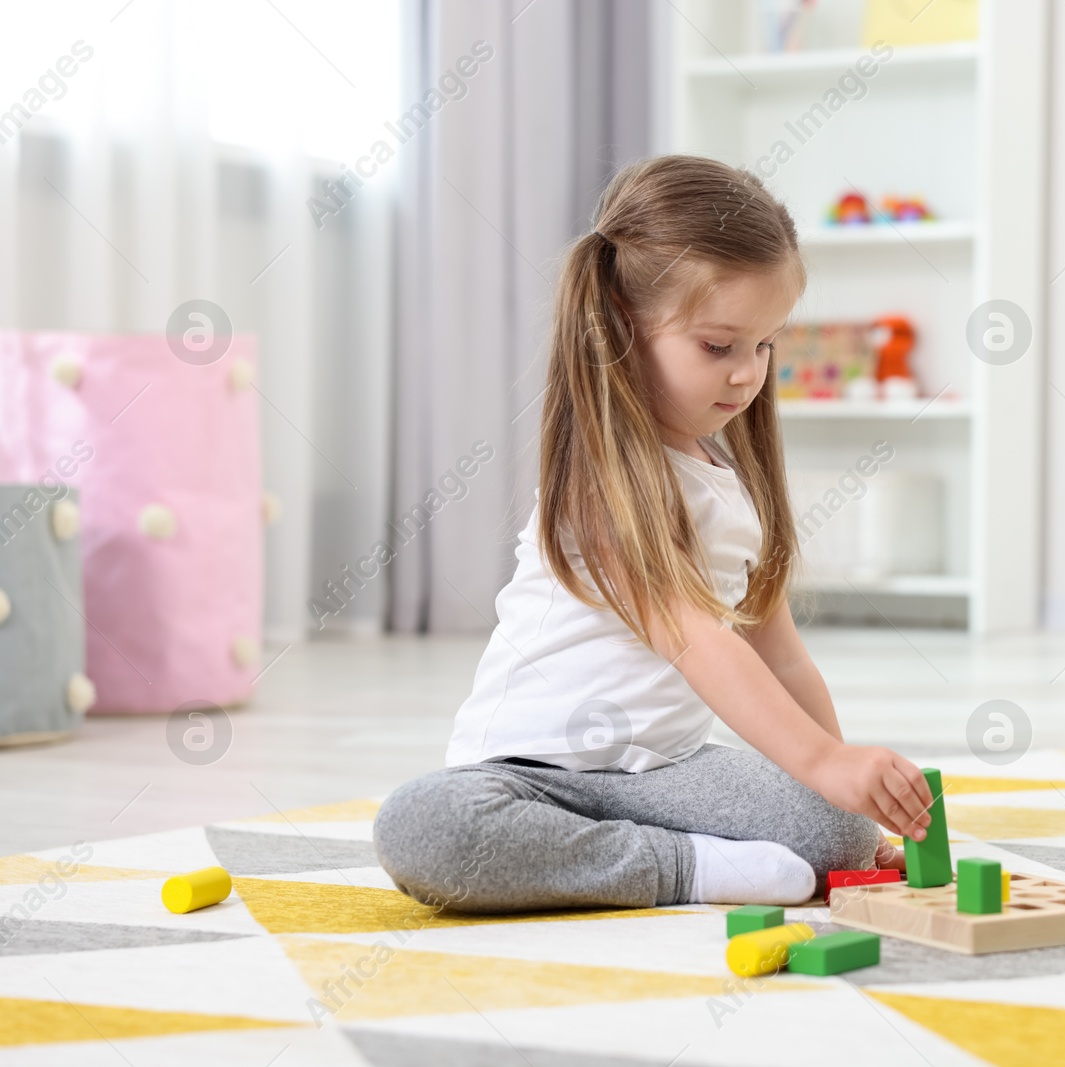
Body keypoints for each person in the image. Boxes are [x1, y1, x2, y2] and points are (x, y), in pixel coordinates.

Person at [373, 155, 933, 912]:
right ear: (619, 329)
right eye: (719, 346)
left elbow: (783, 658)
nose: (749, 374)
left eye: (765, 344)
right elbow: (693, 637)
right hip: (531, 776)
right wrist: (823, 762)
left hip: (663, 771)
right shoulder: (599, 486)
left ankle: (671, 854)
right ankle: (682, 868)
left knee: (831, 832)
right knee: (425, 831)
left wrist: (843, 792)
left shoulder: (731, 485)